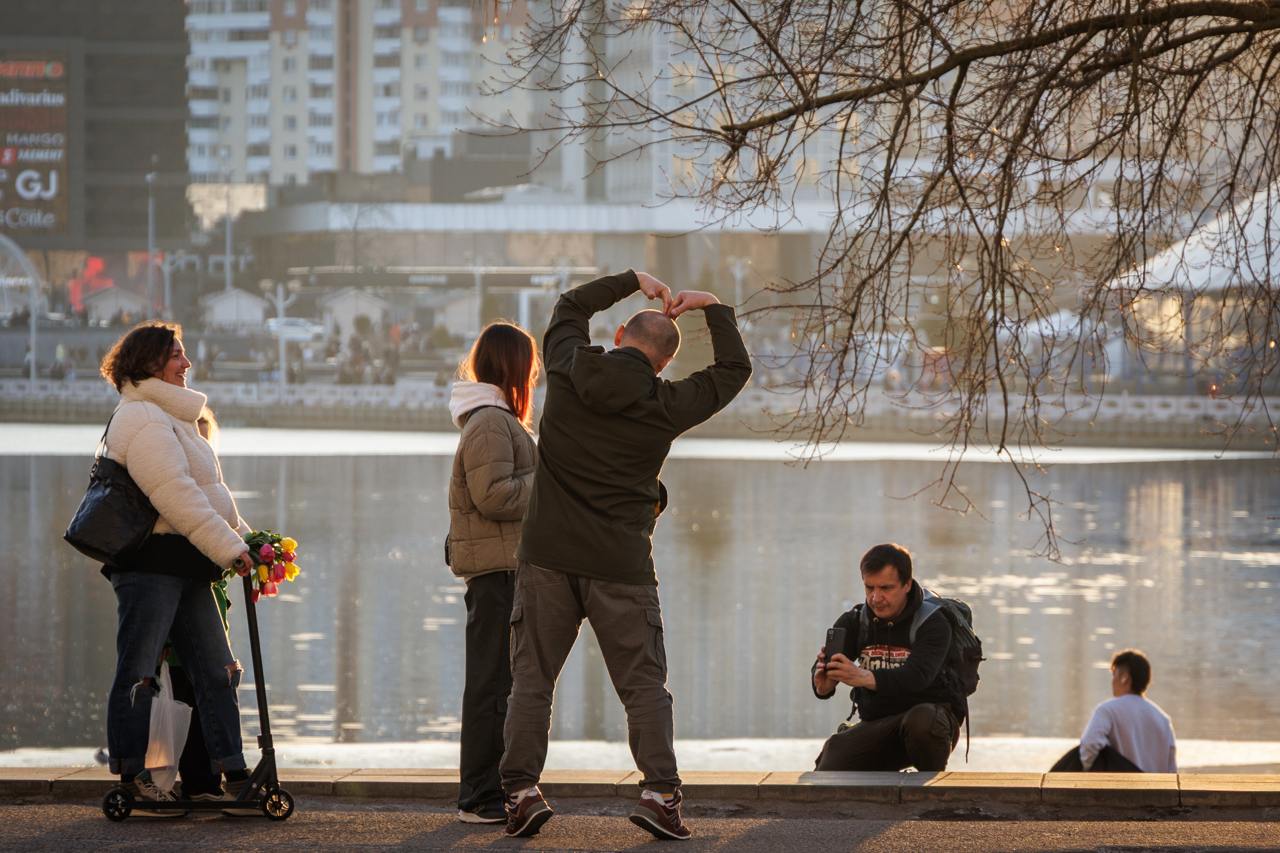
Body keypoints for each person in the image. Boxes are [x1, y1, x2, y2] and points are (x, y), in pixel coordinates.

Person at [500, 269, 752, 841]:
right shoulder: (667, 403)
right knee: (642, 685)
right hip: (621, 565)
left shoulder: (568, 369)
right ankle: (660, 794)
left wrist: (634, 279)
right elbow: (734, 371)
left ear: (617, 336)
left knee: (532, 679)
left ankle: (519, 793)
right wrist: (712, 305)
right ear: (663, 363)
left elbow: (568, 308)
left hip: (546, 557)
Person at [97, 322, 255, 815]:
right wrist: (230, 549)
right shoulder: (142, 418)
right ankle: (132, 775)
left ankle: (229, 773)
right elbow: (175, 496)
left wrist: (250, 542)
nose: (187, 363)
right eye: (177, 356)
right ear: (148, 364)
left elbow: (208, 496)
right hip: (149, 565)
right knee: (138, 672)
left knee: (216, 669)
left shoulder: (171, 416)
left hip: (187, 562)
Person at [446, 322, 540, 824]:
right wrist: (549, 478)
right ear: (515, 367)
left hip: (507, 570)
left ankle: (496, 791)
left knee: (502, 685)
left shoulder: (498, 421)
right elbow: (496, 496)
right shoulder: (489, 423)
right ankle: (478, 796)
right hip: (496, 574)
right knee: (489, 686)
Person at [811, 543, 964, 772]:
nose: (875, 598)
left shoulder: (934, 622)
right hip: (877, 723)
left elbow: (917, 677)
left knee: (922, 721)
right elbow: (825, 670)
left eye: (885, 588)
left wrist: (863, 676)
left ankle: (929, 794)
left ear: (907, 585)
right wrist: (823, 684)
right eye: (869, 588)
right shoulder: (855, 621)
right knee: (832, 759)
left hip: (931, 721)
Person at [1050, 649, 1176, 773]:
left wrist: (1087, 770)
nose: (1112, 681)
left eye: (1114, 674)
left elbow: (1090, 744)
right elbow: (1171, 768)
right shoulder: (1163, 719)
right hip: (1156, 791)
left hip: (1120, 789)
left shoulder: (1107, 710)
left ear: (1124, 678)